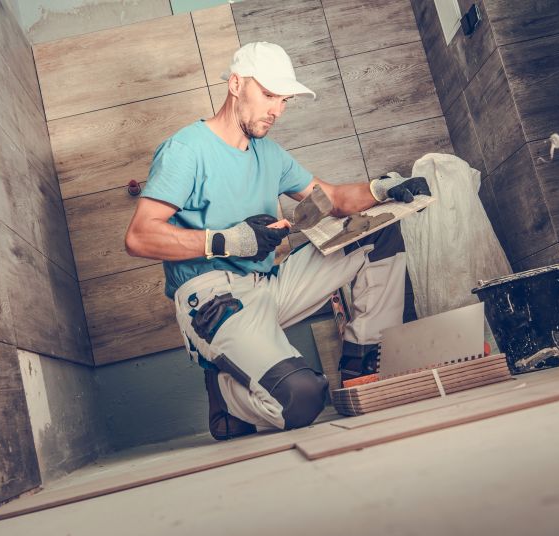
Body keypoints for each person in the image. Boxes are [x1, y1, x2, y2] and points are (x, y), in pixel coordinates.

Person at [125, 42, 430, 440]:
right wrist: (230, 241)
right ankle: (225, 394)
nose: (277, 109)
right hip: (214, 299)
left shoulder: (269, 153)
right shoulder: (186, 150)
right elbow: (139, 236)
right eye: (268, 95)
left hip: (270, 284)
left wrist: (384, 189)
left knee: (378, 232)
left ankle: (362, 365)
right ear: (236, 84)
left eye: (283, 99)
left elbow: (333, 199)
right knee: (301, 399)